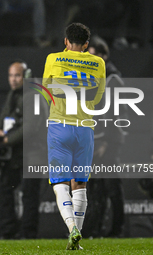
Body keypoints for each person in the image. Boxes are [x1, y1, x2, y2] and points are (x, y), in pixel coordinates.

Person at [42, 23, 106, 250]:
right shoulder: (98, 62)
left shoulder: (53, 59)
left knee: (60, 183)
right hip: (85, 129)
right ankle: (76, 243)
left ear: (65, 41)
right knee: (80, 184)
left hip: (60, 126)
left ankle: (72, 229)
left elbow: (46, 90)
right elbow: (97, 98)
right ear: (87, 45)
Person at [0, 60, 41, 239]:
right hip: (16, 154)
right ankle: (8, 232)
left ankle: (28, 234)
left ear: (25, 76)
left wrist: (5, 140)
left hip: (34, 153)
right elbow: (2, 119)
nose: (13, 79)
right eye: (11, 75)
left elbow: (30, 128)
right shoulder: (12, 95)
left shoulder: (33, 94)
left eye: (17, 75)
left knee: (29, 195)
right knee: (3, 188)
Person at [88, 36, 126, 237]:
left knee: (112, 187)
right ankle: (98, 229)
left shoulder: (112, 80)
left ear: (103, 56)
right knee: (99, 188)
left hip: (109, 142)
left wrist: (104, 142)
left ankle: (117, 229)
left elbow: (116, 116)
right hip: (99, 141)